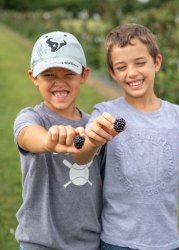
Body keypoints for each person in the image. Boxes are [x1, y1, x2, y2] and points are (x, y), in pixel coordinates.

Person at [74, 23, 179, 250]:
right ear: (112, 73)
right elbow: (81, 158)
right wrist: (92, 140)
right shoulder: (105, 113)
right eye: (121, 67)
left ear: (156, 62)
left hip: (166, 243)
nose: (132, 73)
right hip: (116, 241)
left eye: (140, 63)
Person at [13, 31, 114, 250]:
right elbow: (28, 136)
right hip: (38, 244)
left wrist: (94, 141)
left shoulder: (94, 126)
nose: (60, 83)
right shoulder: (32, 117)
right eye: (49, 75)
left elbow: (103, 182)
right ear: (33, 77)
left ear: (84, 75)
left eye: (69, 74)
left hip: (88, 244)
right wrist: (49, 142)